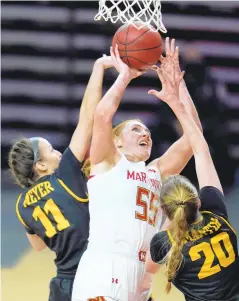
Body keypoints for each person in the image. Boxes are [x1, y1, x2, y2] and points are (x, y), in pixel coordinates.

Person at [72, 39, 202, 301]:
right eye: (136, 129)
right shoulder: (107, 162)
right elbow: (102, 116)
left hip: (142, 275)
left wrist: (179, 88)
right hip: (105, 267)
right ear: (117, 140)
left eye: (147, 131)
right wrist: (125, 76)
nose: (145, 133)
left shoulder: (156, 171)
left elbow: (193, 138)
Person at [9, 56, 114, 301]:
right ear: (41, 165)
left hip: (64, 285)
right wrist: (98, 67)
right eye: (52, 150)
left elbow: (38, 246)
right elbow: (88, 116)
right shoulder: (64, 175)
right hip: (93, 279)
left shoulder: (22, 204)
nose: (59, 152)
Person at [146, 64, 239, 301]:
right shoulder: (216, 215)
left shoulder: (163, 242)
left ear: (165, 210)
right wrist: (178, 92)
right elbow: (200, 148)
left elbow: (148, 269)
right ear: (198, 200)